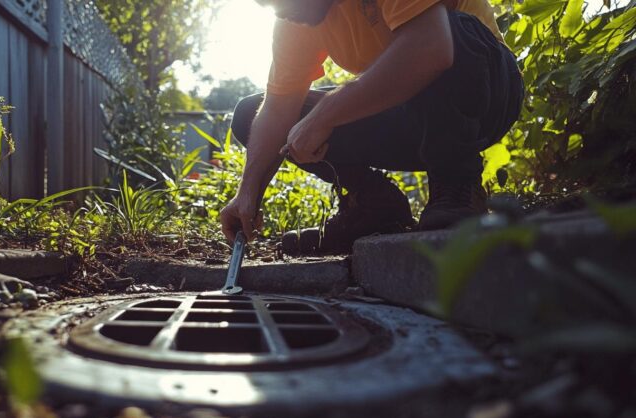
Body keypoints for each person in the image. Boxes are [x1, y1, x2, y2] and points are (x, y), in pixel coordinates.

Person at [220, 0, 524, 254]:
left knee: (450, 26)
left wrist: (327, 113)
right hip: (406, 110)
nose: (277, 9)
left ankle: (457, 184)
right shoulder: (294, 14)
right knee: (251, 114)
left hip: (485, 88)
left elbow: (432, 46)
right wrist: (248, 193)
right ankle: (375, 204)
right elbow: (277, 109)